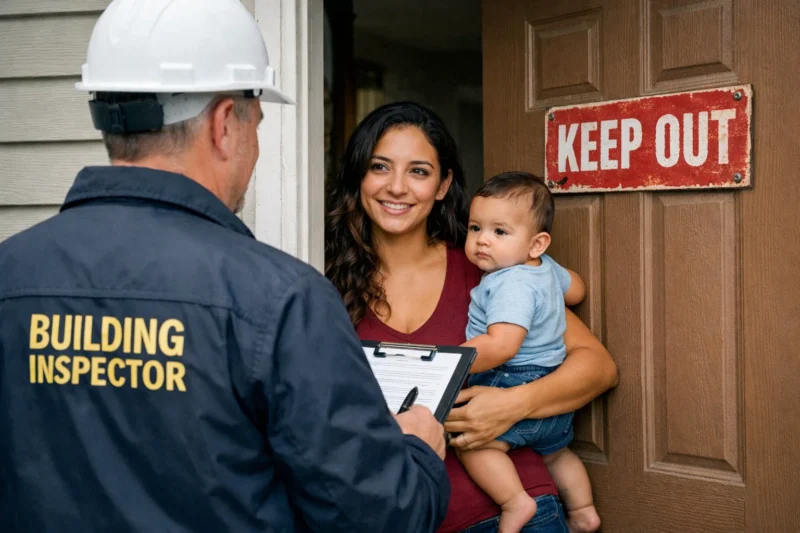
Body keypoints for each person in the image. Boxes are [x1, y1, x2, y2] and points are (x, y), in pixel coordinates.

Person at [0, 2, 449, 532]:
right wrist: (419, 452)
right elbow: (379, 517)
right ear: (223, 125)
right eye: (255, 123)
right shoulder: (281, 299)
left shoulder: (11, 275)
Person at [325, 101, 618, 533]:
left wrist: (511, 405)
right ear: (358, 176)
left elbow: (598, 367)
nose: (397, 187)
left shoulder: (491, 270)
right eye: (380, 167)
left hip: (516, 515)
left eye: (419, 171)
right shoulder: (322, 283)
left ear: (443, 185)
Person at [458, 172, 599, 533]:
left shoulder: (510, 283)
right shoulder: (544, 268)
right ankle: (583, 511)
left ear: (537, 243)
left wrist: (451, 361)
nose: (482, 240)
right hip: (553, 384)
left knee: (472, 444)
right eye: (475, 228)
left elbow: (502, 345)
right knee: (556, 453)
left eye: (499, 232)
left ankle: (515, 502)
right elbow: (577, 290)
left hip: (513, 379)